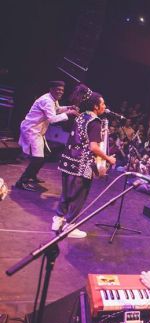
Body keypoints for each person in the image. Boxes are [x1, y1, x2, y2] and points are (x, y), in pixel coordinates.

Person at [52, 86, 115, 238]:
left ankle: (58, 219)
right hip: (82, 164)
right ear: (95, 106)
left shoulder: (80, 117)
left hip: (68, 160)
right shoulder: (95, 122)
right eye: (103, 104)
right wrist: (109, 159)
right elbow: (93, 147)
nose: (105, 106)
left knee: (66, 193)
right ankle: (70, 226)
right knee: (78, 197)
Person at [16, 81, 79, 191]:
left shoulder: (52, 99)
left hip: (38, 131)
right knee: (38, 158)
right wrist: (69, 113)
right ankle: (22, 182)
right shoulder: (46, 101)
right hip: (31, 130)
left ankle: (32, 175)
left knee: (46, 153)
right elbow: (52, 119)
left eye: (62, 90)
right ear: (51, 89)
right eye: (58, 89)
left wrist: (68, 107)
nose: (60, 92)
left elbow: (57, 110)